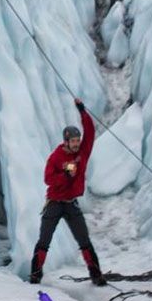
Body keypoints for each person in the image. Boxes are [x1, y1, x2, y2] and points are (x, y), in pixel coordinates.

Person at [30, 100, 107, 286]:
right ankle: (35, 275)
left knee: (84, 240)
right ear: (65, 141)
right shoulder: (56, 157)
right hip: (55, 203)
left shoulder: (82, 152)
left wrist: (82, 111)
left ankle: (96, 276)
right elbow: (48, 179)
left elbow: (90, 131)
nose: (77, 143)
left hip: (71, 203)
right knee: (44, 241)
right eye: (73, 141)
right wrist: (65, 175)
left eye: (77, 140)